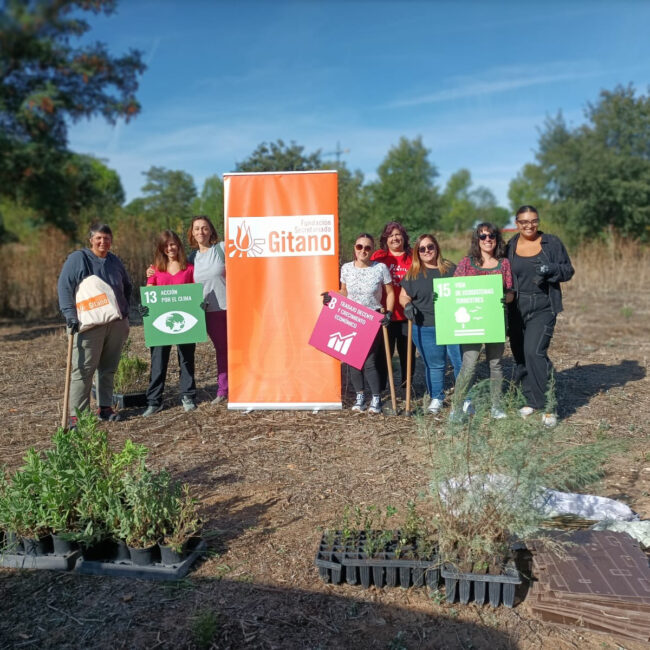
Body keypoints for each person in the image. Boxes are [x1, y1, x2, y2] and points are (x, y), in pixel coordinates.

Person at [505, 205, 574, 426]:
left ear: (538, 221)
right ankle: (531, 400)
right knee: (521, 356)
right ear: (516, 223)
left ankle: (548, 406)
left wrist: (551, 269)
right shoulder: (511, 245)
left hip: (543, 304)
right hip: (516, 306)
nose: (529, 225)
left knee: (534, 352)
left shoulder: (551, 243)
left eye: (533, 221)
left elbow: (568, 270)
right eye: (524, 222)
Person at [57, 223, 131, 426]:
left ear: (111, 240)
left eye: (106, 238)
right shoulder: (78, 259)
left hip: (115, 323)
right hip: (87, 325)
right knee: (83, 370)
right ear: (91, 240)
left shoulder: (114, 261)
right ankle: (77, 416)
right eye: (98, 238)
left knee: (108, 368)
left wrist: (125, 313)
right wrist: (70, 316)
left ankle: (105, 407)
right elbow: (64, 288)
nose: (102, 242)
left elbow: (127, 286)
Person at [453, 222, 514, 419]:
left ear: (497, 239)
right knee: (469, 365)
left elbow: (511, 292)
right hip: (471, 324)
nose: (488, 240)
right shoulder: (465, 263)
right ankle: (457, 406)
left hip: (495, 321)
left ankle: (496, 406)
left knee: (495, 364)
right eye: (483, 236)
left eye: (491, 236)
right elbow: (453, 290)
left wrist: (505, 297)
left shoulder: (503, 264)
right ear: (477, 240)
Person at [330, 233, 394, 414]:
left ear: (372, 250)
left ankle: (376, 398)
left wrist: (387, 312)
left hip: (372, 317)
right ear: (355, 248)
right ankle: (360, 396)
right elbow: (344, 291)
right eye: (360, 247)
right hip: (350, 317)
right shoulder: (346, 268)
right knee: (352, 360)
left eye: (367, 247)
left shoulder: (380, 268)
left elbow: (390, 292)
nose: (363, 250)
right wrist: (332, 297)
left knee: (370, 361)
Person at [400, 234, 461, 414]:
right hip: (425, 325)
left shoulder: (450, 269)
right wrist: (407, 305)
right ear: (417, 252)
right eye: (422, 249)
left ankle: (464, 398)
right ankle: (436, 397)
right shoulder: (413, 273)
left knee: (459, 362)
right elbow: (404, 295)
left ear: (437, 248)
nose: (427, 251)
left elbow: (464, 289)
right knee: (435, 365)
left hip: (452, 324)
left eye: (430, 247)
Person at [142, 230, 197, 416]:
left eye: (173, 244)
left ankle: (188, 396)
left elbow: (195, 293)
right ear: (161, 248)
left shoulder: (189, 268)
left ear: (178, 245)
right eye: (166, 245)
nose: (170, 248)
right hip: (161, 323)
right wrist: (145, 308)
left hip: (185, 321)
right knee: (158, 362)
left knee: (187, 359)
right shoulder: (155, 269)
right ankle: (154, 401)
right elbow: (149, 294)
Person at [370, 221, 415, 389]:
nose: (395, 238)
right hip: (384, 314)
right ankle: (381, 390)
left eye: (398, 234)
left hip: (406, 316)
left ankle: (406, 389)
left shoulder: (413, 258)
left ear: (404, 238)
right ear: (385, 239)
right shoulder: (378, 257)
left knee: (407, 355)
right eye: (391, 235)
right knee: (383, 355)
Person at [189, 215, 228, 404]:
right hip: (209, 312)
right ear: (192, 233)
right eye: (196, 228)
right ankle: (223, 389)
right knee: (222, 349)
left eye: (204, 228)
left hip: (231, 307)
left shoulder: (222, 248)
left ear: (211, 230)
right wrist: (152, 272)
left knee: (239, 348)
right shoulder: (191, 258)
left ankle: (246, 385)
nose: (200, 232)